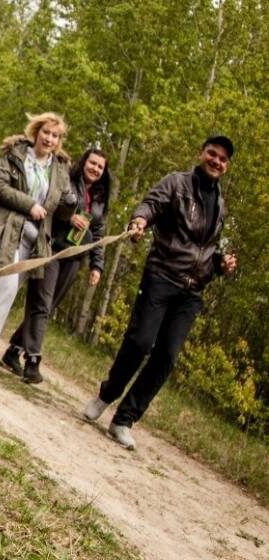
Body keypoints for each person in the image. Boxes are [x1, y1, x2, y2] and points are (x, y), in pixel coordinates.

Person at [82, 135, 238, 450]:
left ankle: (124, 420)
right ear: (201, 153)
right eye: (212, 154)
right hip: (162, 276)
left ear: (226, 165)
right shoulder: (177, 183)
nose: (216, 161)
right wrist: (139, 220)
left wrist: (222, 263)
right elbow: (151, 204)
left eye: (222, 158)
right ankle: (106, 395)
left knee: (166, 356)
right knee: (140, 342)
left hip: (192, 292)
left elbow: (207, 249)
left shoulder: (220, 205)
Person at [0, 112, 77, 380]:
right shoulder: (15, 155)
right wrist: (29, 204)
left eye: (55, 136)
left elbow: (61, 211)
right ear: (36, 131)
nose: (50, 139)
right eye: (46, 132)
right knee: (5, 291)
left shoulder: (59, 169)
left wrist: (70, 205)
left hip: (35, 242)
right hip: (8, 232)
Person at [1, 148, 111, 383]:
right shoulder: (66, 180)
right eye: (92, 163)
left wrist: (96, 266)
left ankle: (12, 352)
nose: (95, 169)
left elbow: (98, 232)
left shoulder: (100, 197)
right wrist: (68, 216)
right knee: (41, 302)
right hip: (50, 248)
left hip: (74, 256)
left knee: (47, 307)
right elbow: (48, 205)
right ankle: (33, 360)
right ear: (84, 162)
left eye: (100, 167)